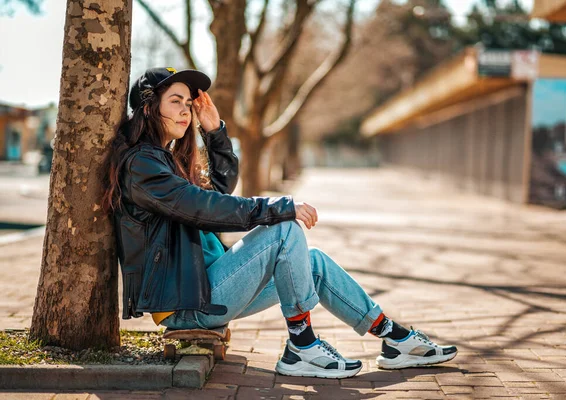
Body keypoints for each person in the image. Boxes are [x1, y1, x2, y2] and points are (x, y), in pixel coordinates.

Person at [102, 67, 458, 379]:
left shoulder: (165, 160)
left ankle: (395, 340)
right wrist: (279, 207)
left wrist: (214, 132)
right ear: (150, 107)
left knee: (313, 263)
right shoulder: (142, 165)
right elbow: (203, 207)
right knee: (284, 228)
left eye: (188, 103)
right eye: (175, 101)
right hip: (184, 305)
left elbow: (219, 190)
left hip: (204, 287)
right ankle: (301, 345)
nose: (186, 110)